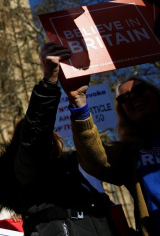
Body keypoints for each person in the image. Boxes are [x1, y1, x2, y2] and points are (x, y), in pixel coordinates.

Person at [0, 43, 117, 235]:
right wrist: (49, 83)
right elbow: (34, 139)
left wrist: (79, 102)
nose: (51, 136)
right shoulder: (23, 169)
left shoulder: (77, 165)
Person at [66, 72, 160, 235]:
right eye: (124, 98)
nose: (133, 97)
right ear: (123, 112)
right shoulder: (129, 152)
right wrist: (79, 106)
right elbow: (98, 161)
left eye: (140, 90)